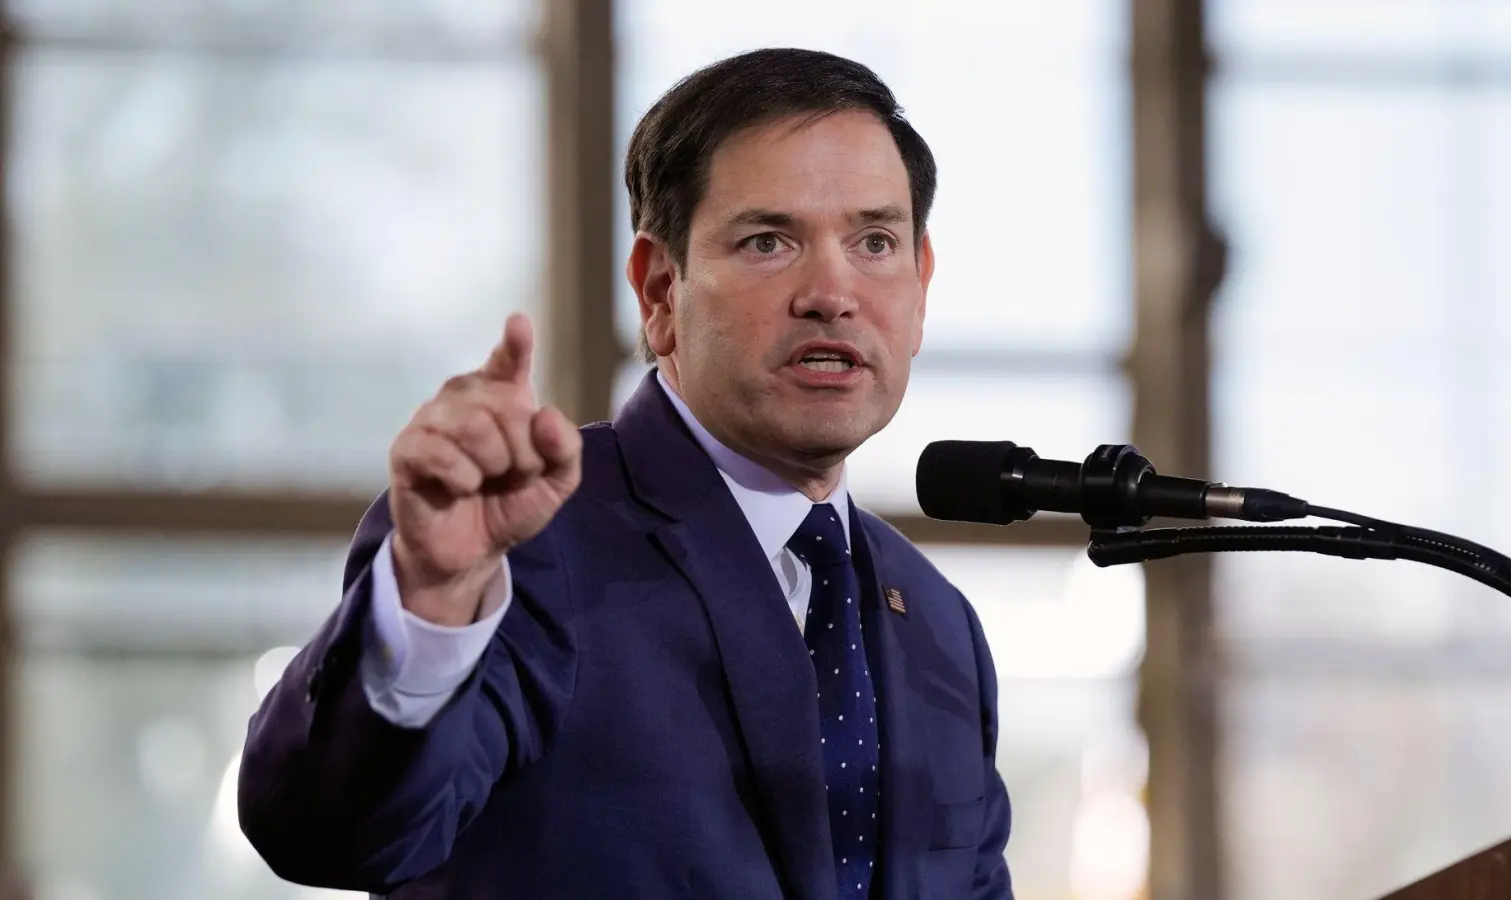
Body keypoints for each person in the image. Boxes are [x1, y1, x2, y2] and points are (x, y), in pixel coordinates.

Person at [238, 47, 1013, 900]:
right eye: (767, 240)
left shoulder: (939, 624)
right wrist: (430, 603)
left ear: (921, 286)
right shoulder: (523, 549)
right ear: (659, 288)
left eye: (874, 241)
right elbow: (328, 834)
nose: (832, 291)